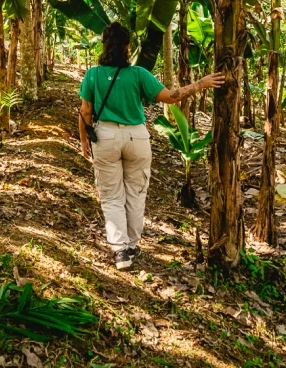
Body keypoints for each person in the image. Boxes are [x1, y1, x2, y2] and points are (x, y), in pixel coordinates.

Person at [78, 22, 225, 270]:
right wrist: (202, 83)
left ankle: (121, 251)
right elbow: (171, 96)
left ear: (104, 46)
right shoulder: (138, 74)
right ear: (127, 47)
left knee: (112, 196)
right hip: (137, 138)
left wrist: (83, 141)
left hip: (105, 137)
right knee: (136, 193)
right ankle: (132, 244)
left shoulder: (93, 74)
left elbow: (85, 112)